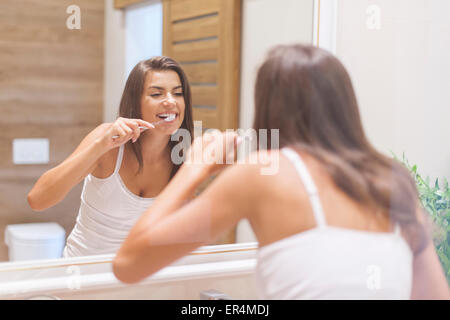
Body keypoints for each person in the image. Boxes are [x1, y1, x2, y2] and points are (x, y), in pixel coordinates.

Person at [112, 45, 449, 299]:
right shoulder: (393, 180)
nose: (169, 101)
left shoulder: (260, 175)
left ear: (268, 108)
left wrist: (195, 167)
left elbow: (128, 264)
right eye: (156, 93)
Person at [27, 56, 194, 257]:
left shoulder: (185, 156)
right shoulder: (106, 141)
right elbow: (37, 200)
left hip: (138, 277)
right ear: (136, 102)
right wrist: (100, 146)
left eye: (178, 93)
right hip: (84, 275)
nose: (170, 101)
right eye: (157, 93)